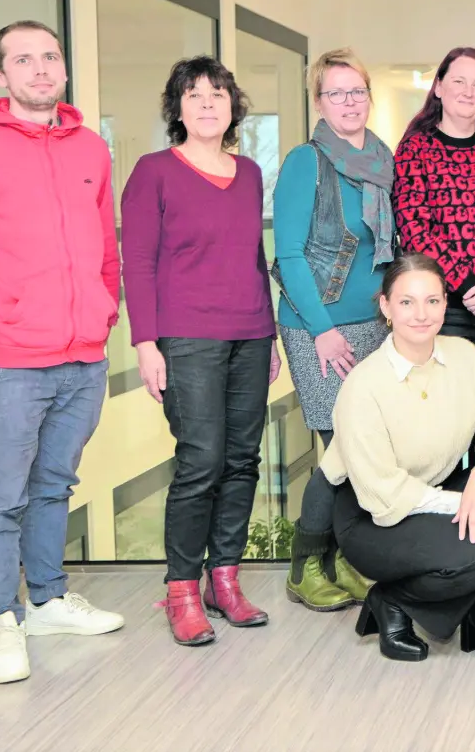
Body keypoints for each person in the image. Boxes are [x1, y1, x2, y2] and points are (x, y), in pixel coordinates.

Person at [0, 20, 125, 684]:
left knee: (54, 487)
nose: (40, 69)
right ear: (0, 76)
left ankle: (45, 600)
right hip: (10, 359)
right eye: (23, 60)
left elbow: (104, 251)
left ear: (63, 68)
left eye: (50, 56)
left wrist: (105, 313)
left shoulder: (92, 149)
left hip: (83, 357)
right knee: (2, 495)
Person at [322, 253, 475, 664]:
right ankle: (394, 602)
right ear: (386, 307)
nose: (421, 313)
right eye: (407, 302)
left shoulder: (462, 355)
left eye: (432, 300)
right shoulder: (364, 386)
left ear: (447, 303)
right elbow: (382, 492)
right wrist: (466, 505)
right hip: (372, 516)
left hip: (435, 491)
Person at [122, 56, 279, 645]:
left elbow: (252, 259)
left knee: (243, 460)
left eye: (218, 94)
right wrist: (145, 341)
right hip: (187, 338)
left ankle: (226, 582)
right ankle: (181, 591)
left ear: (232, 106)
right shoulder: (154, 171)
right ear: (177, 108)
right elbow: (136, 262)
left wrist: (268, 336)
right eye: (194, 95)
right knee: (201, 462)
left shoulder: (249, 173)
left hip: (250, 332)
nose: (208, 103)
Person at [274, 48, 394, 612]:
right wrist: (322, 330)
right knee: (338, 447)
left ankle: (345, 558)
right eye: (336, 92)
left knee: (364, 445)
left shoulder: (381, 158)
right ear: (318, 102)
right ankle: (305, 565)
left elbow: (382, 248)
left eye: (357, 91)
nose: (349, 102)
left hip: (372, 324)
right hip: (316, 326)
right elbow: (290, 255)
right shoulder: (307, 161)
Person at [395, 47, 475, 399]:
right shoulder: (414, 150)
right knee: (446, 431)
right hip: (445, 312)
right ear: (438, 87)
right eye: (458, 81)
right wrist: (468, 285)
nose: (468, 91)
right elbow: (414, 229)